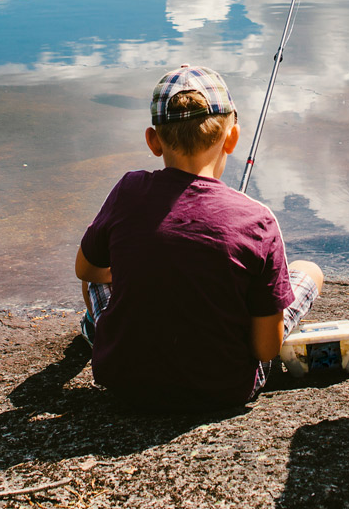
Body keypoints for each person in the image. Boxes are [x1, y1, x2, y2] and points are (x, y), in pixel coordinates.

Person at [75, 64, 324, 410]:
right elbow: (266, 350)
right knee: (309, 271)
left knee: (98, 279)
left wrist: (140, 272)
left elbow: (86, 271)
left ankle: (100, 332)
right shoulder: (259, 221)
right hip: (225, 387)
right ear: (232, 138)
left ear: (153, 141)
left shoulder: (128, 190)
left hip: (124, 382)